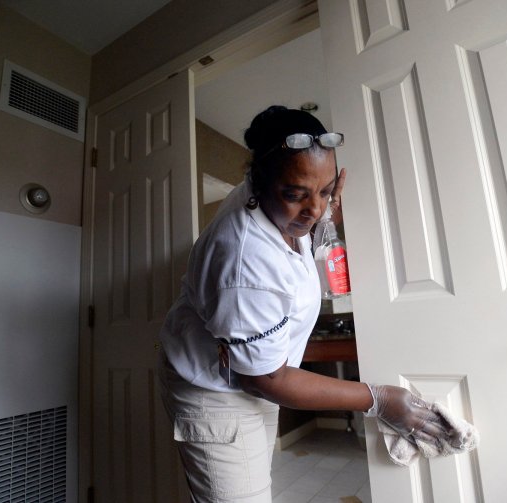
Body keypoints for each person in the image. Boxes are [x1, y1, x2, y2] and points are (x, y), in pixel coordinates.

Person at [158, 105, 451, 502]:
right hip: (217, 396)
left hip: (249, 383)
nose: (313, 210)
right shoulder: (247, 264)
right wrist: (377, 399)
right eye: (297, 195)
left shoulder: (279, 207)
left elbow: (311, 211)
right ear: (257, 183)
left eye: (326, 190)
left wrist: (326, 209)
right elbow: (267, 379)